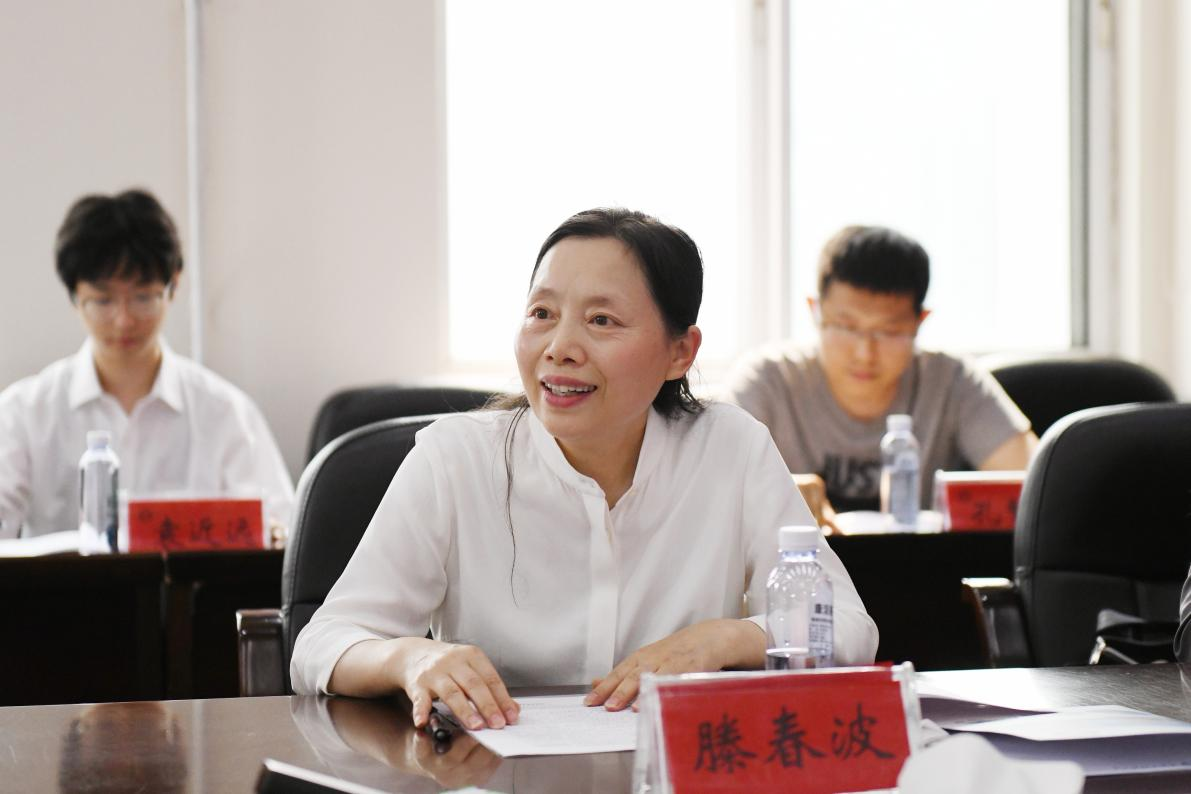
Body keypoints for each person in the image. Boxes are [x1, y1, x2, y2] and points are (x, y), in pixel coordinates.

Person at [290, 208, 878, 730]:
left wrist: (725, 639)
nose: (560, 347)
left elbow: (850, 628)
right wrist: (410, 657)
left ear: (680, 352)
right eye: (541, 313)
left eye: (601, 321)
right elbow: (321, 645)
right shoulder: (454, 458)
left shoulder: (731, 448)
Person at [0, 188, 294, 539]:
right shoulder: (25, 412)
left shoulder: (224, 412)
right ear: (74, 296)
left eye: (143, 297)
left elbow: (283, 533)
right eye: (103, 300)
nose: (124, 320)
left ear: (173, 286)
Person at [722, 225, 1037, 528]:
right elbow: (708, 484)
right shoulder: (768, 380)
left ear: (919, 321)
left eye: (889, 331)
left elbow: (1038, 485)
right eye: (846, 326)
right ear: (815, 310)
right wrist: (771, 493)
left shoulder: (950, 381)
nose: (865, 353)